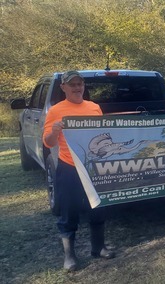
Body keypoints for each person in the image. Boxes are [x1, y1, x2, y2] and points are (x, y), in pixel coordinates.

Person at [43, 71, 115, 271]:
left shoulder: (94, 107)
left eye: (79, 84)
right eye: (72, 84)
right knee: (69, 210)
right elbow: (48, 142)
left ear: (83, 86)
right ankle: (69, 256)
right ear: (63, 87)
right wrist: (54, 131)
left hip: (94, 168)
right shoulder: (56, 111)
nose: (76, 88)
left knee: (98, 207)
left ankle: (98, 248)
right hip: (69, 167)